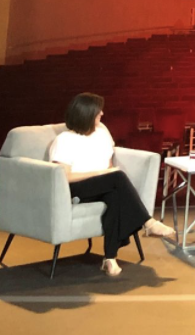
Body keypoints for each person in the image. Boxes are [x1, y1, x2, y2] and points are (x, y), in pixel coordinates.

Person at [48, 93, 176, 277]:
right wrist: (102, 174)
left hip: (103, 183)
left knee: (115, 196)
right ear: (86, 113)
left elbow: (108, 164)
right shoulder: (64, 140)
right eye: (98, 111)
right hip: (77, 188)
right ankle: (148, 222)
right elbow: (65, 177)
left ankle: (109, 258)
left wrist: (107, 174)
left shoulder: (102, 132)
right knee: (117, 177)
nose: (102, 113)